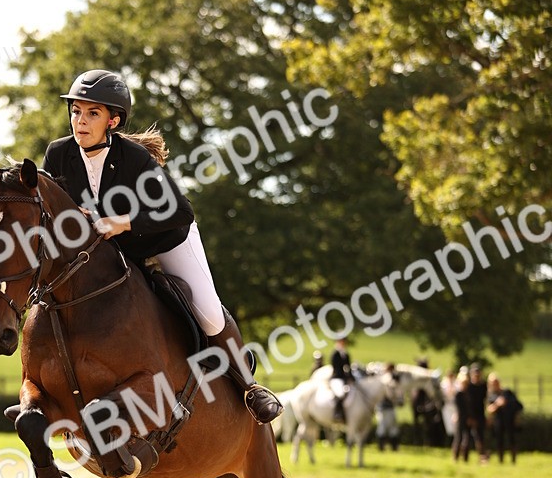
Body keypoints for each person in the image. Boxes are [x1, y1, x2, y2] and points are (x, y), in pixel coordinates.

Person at [41, 69, 282, 424]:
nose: (80, 121)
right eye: (76, 111)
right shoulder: (58, 154)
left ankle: (249, 387)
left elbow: (181, 211)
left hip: (165, 238)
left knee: (209, 313)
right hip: (111, 250)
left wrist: (124, 222)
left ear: (113, 121)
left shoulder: (134, 158)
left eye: (92, 113)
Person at [486, 373, 523, 463]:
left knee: (511, 440)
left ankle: (513, 460)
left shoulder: (507, 392)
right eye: (493, 383)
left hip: (509, 419)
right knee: (499, 440)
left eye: (496, 382)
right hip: (498, 421)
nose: (495, 384)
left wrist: (507, 403)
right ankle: (501, 460)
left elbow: (519, 405)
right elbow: (489, 409)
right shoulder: (491, 395)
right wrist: (498, 404)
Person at [375, 362, 400, 450]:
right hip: (383, 406)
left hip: (389, 406)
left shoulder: (391, 378)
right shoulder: (385, 379)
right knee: (383, 426)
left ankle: (393, 446)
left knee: (391, 426)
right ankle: (382, 446)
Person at [467, 362, 488, 462]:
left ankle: (482, 455)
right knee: (469, 437)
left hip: (481, 414)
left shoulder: (483, 385)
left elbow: (486, 400)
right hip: (470, 414)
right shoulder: (468, 386)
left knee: (481, 436)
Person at [329, 338, 352, 422]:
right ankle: (338, 413)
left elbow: (348, 367)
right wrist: (344, 375)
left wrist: (351, 377)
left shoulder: (345, 354)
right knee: (340, 393)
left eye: (344, 341)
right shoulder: (335, 354)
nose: (343, 343)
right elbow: (336, 368)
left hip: (345, 378)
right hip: (337, 378)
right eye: (341, 341)